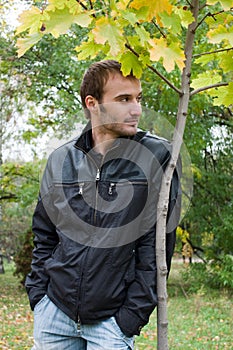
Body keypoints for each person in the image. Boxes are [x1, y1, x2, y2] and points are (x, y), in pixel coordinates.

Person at [26, 60, 181, 350]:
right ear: (92, 103)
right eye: (124, 99)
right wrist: (39, 296)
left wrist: (131, 316)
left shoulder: (157, 156)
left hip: (112, 323)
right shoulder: (61, 160)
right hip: (55, 315)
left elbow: (158, 246)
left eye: (138, 98)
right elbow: (44, 234)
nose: (136, 109)